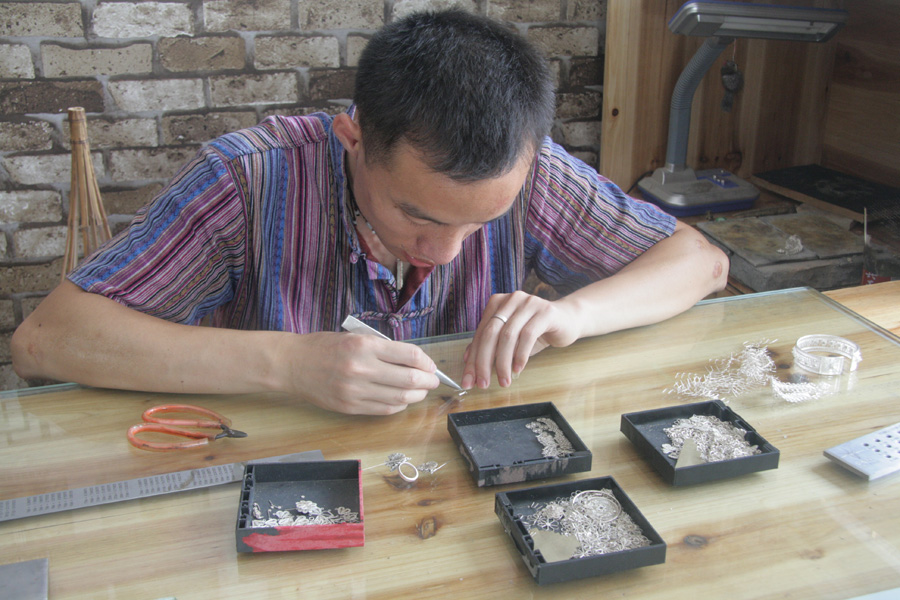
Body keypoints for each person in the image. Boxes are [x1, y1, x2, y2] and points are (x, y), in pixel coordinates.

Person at [11, 10, 728, 415]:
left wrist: (576, 315)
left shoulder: (529, 171)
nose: (446, 253)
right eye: (418, 214)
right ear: (354, 137)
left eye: (480, 223)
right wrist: (288, 364)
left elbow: (701, 263)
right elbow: (45, 342)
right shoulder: (245, 178)